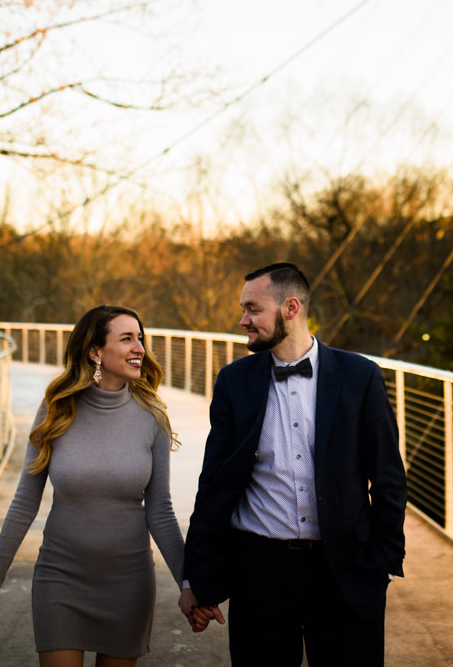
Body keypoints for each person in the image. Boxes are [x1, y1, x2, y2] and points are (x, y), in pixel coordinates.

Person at [180, 263, 408, 667]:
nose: (242, 320)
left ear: (291, 308)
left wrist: (382, 565)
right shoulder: (234, 381)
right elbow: (214, 483)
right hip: (259, 573)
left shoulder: (360, 376)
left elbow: (389, 478)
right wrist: (197, 578)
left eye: (253, 309)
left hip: (344, 572)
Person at [0, 305, 201, 667]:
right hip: (61, 579)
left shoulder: (152, 417)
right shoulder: (56, 410)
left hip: (128, 583)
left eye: (141, 338)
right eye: (126, 339)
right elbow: (24, 503)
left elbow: (160, 511)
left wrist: (189, 585)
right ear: (95, 352)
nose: (140, 347)